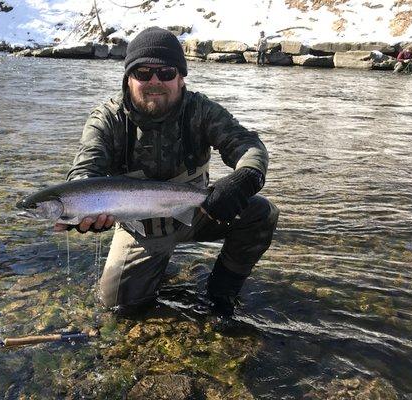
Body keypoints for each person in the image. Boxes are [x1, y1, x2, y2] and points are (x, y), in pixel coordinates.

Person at [58, 27, 279, 317]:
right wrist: (82, 207)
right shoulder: (107, 119)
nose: (154, 81)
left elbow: (247, 144)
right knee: (117, 308)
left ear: (181, 77)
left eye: (165, 73)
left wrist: (246, 177)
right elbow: (86, 167)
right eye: (143, 73)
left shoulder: (201, 110)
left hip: (201, 213)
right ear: (128, 78)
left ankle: (221, 293)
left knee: (261, 213)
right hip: (142, 231)